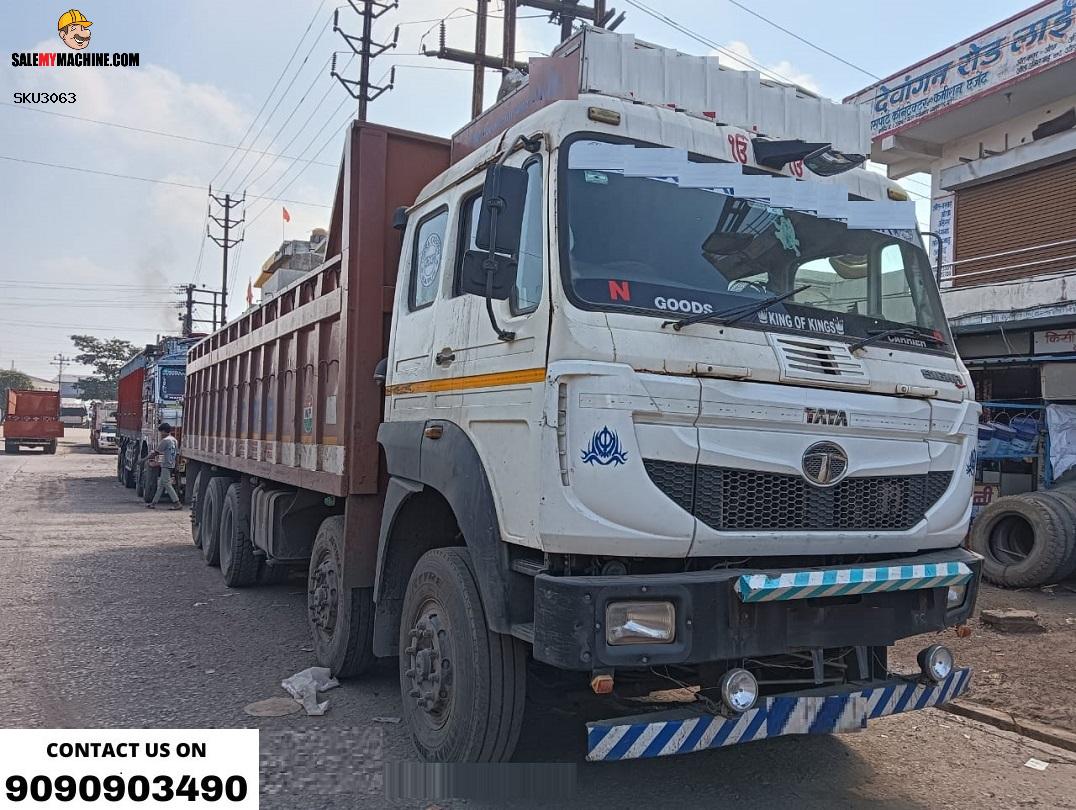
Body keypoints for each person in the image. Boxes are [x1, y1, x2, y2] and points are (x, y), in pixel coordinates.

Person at [147, 423, 182, 510]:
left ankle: (177, 503)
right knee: (161, 485)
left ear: (163, 431)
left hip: (166, 465)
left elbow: (156, 452)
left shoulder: (165, 441)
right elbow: (177, 454)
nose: (161, 434)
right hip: (171, 464)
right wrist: (177, 465)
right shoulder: (174, 440)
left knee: (167, 484)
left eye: (161, 432)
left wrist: (144, 459)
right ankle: (153, 503)